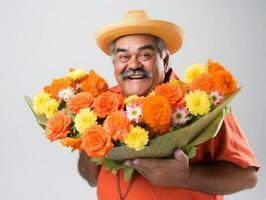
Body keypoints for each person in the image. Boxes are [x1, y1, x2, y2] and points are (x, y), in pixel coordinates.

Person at [78, 10, 259, 200]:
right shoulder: (101, 106)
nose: (133, 65)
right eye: (123, 57)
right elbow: (92, 179)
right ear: (115, 63)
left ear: (164, 61)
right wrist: (88, 142)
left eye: (145, 55)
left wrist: (186, 177)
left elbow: (247, 177)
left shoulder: (202, 105)